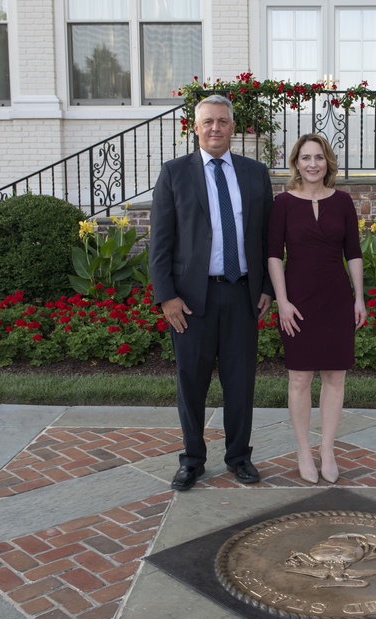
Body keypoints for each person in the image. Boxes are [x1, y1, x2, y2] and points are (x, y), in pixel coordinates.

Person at [149, 94, 274, 490]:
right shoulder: (174, 173)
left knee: (240, 383)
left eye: (222, 121)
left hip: (241, 294)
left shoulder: (255, 173)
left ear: (233, 128)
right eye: (208, 122)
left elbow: (269, 238)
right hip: (191, 300)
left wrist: (267, 287)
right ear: (195, 127)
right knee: (192, 383)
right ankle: (192, 459)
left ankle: (239, 457)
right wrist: (166, 295)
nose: (216, 128)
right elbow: (160, 242)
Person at [267, 134, 366, 484]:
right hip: (297, 299)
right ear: (296, 163)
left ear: (328, 162)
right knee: (299, 377)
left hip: (336, 297)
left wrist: (359, 298)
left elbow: (353, 252)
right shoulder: (283, 204)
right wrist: (282, 301)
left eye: (319, 158)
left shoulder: (342, 201)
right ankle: (303, 450)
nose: (312, 164)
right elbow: (274, 255)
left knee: (335, 375)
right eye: (306, 158)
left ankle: (327, 448)